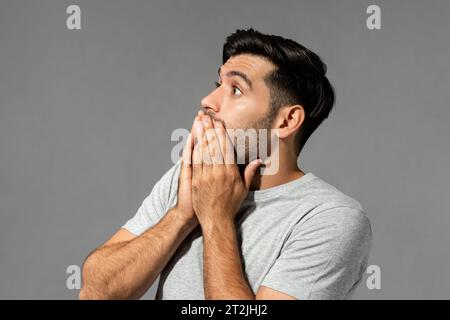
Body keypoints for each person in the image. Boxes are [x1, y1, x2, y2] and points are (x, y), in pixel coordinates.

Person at [79, 28, 372, 300]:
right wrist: (182, 215)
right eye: (218, 84)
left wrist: (217, 219)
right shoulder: (191, 177)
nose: (207, 100)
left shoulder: (330, 218)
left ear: (287, 120)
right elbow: (95, 292)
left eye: (236, 90)